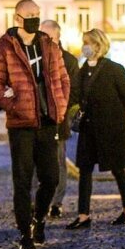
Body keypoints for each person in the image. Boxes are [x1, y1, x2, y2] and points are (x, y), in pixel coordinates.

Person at [0, 0, 70, 249]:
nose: (34, 18)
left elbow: (63, 78)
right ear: (17, 19)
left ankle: (39, 219)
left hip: (48, 120)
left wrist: (61, 103)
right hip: (21, 123)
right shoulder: (4, 47)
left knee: (51, 178)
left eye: (37, 14)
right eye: (29, 15)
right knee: (22, 181)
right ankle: (25, 235)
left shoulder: (48, 44)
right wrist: (11, 103)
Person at [66, 29, 125, 230]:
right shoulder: (82, 70)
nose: (84, 46)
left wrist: (114, 116)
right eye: (83, 42)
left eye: (87, 42)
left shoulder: (114, 68)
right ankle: (83, 215)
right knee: (85, 171)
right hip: (89, 128)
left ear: (98, 45)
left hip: (110, 128)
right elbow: (75, 95)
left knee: (118, 169)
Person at [38, 20, 79, 219]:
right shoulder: (37, 57)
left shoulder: (69, 60)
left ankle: (56, 202)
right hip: (37, 119)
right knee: (37, 162)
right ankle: (37, 201)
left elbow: (73, 92)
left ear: (56, 36)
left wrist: (57, 106)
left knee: (58, 163)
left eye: (46, 36)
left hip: (58, 120)